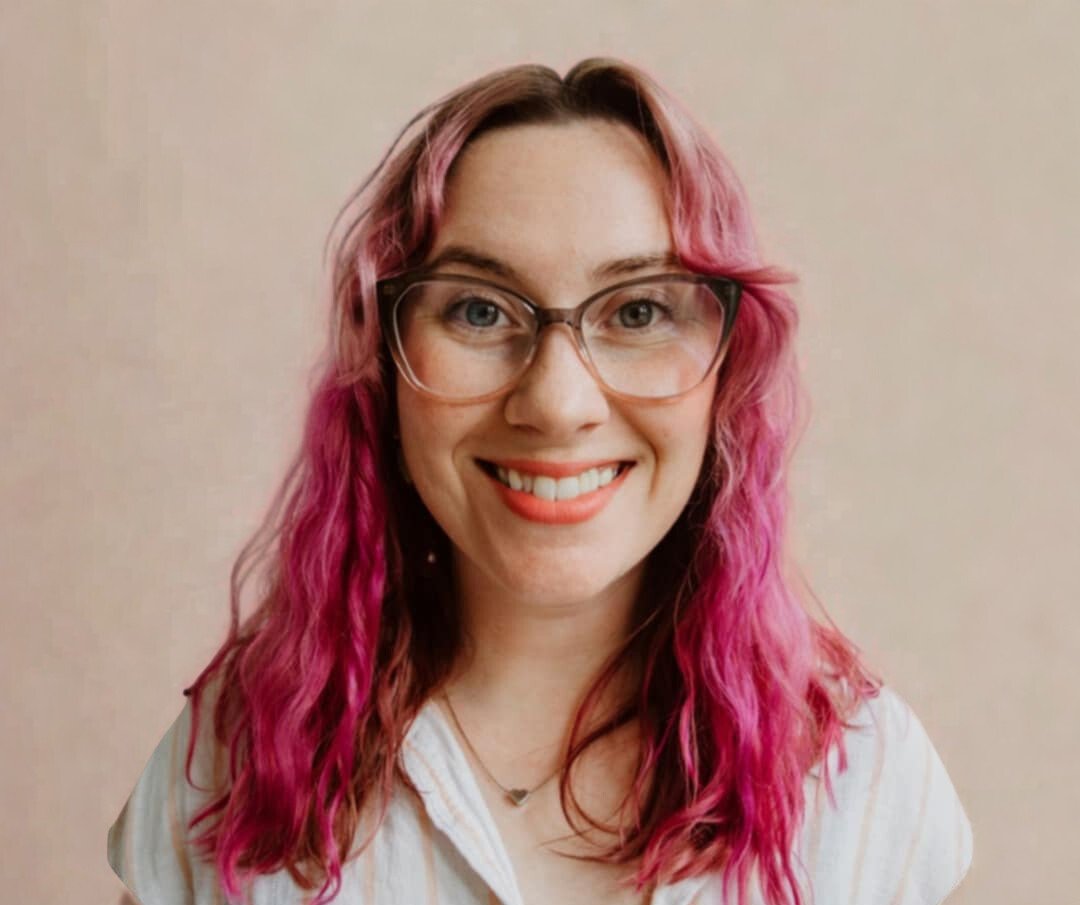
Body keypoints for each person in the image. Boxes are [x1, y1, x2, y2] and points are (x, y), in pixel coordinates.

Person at [107, 58, 973, 905]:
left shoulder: (865, 782)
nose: (558, 404)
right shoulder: (235, 757)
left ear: (727, 370)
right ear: (385, 363)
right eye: (480, 310)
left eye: (638, 311)